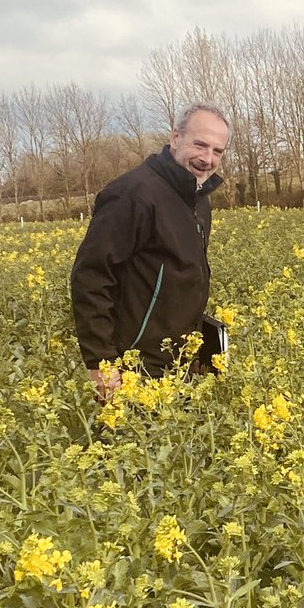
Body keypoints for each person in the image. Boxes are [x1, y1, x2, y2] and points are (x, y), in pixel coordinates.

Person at [70, 103, 230, 401]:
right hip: (134, 368)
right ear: (175, 138)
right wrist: (101, 363)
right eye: (200, 145)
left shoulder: (198, 198)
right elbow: (90, 278)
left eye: (218, 151)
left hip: (180, 361)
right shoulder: (133, 195)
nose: (208, 159)